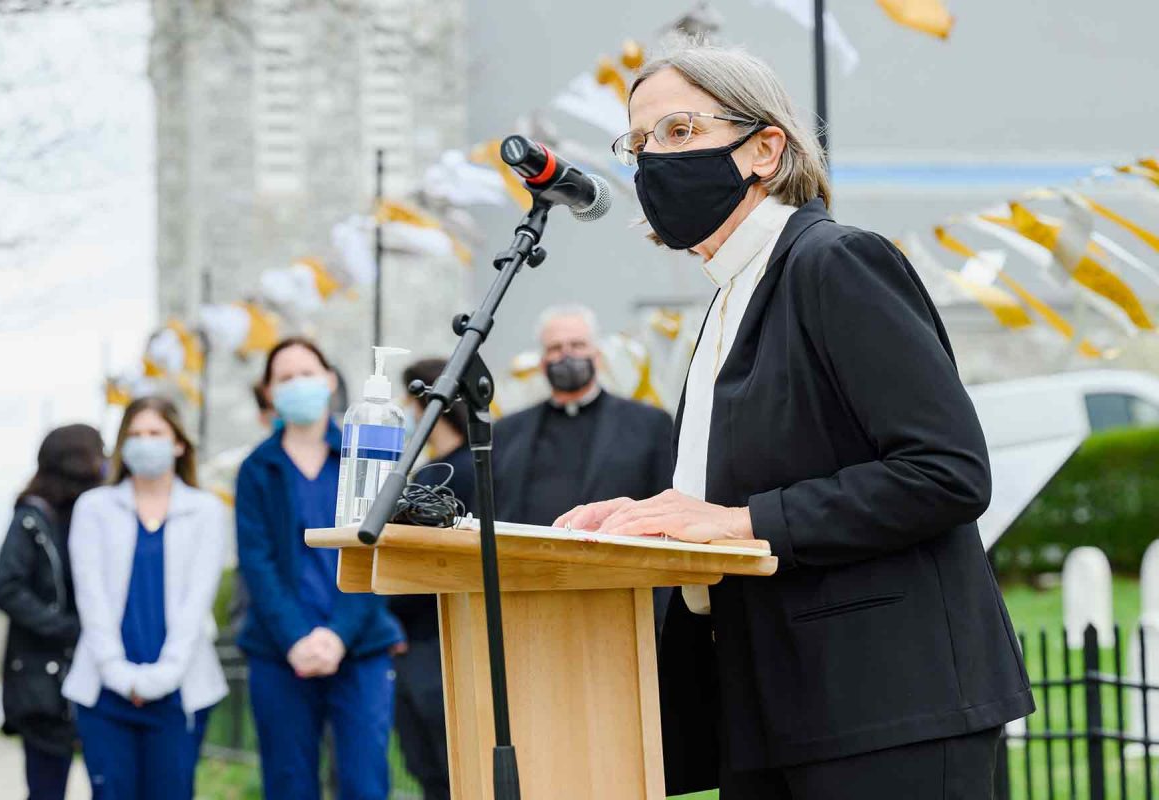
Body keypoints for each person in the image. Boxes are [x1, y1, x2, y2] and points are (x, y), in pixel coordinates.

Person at [556, 40, 1034, 800]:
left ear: (765, 149)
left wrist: (739, 522)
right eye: (639, 143)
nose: (653, 160)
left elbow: (947, 473)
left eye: (679, 130)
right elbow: (738, 492)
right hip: (765, 708)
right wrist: (648, 523)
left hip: (885, 707)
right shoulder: (729, 298)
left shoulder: (835, 262)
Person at [235, 337, 404, 800]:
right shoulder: (257, 469)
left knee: (365, 783)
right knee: (289, 783)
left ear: (330, 380)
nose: (297, 384)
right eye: (285, 377)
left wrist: (338, 635)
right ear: (269, 392)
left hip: (360, 644)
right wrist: (295, 638)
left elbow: (379, 549)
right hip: (280, 651)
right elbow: (257, 562)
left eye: (306, 373)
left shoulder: (367, 452)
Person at [62, 396, 229, 800]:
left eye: (156, 433)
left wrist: (163, 676)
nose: (145, 442)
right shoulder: (94, 508)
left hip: (180, 690)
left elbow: (197, 602)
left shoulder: (206, 511)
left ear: (179, 444)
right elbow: (91, 598)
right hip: (104, 692)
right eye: (135, 435)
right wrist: (117, 673)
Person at [493, 304, 675, 632]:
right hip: (527, 594)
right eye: (555, 348)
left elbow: (666, 512)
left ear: (597, 354)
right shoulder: (507, 432)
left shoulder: (650, 424)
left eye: (577, 345)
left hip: (619, 593)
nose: (566, 355)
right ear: (542, 361)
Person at [0, 423, 105, 800]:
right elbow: (7, 588)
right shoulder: (32, 519)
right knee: (46, 789)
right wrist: (66, 627)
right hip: (44, 679)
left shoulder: (98, 513)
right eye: (98, 452)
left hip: (97, 670)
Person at [386, 357, 475, 800]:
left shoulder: (468, 471)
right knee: (425, 767)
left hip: (443, 642)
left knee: (452, 767)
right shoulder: (427, 474)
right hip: (414, 642)